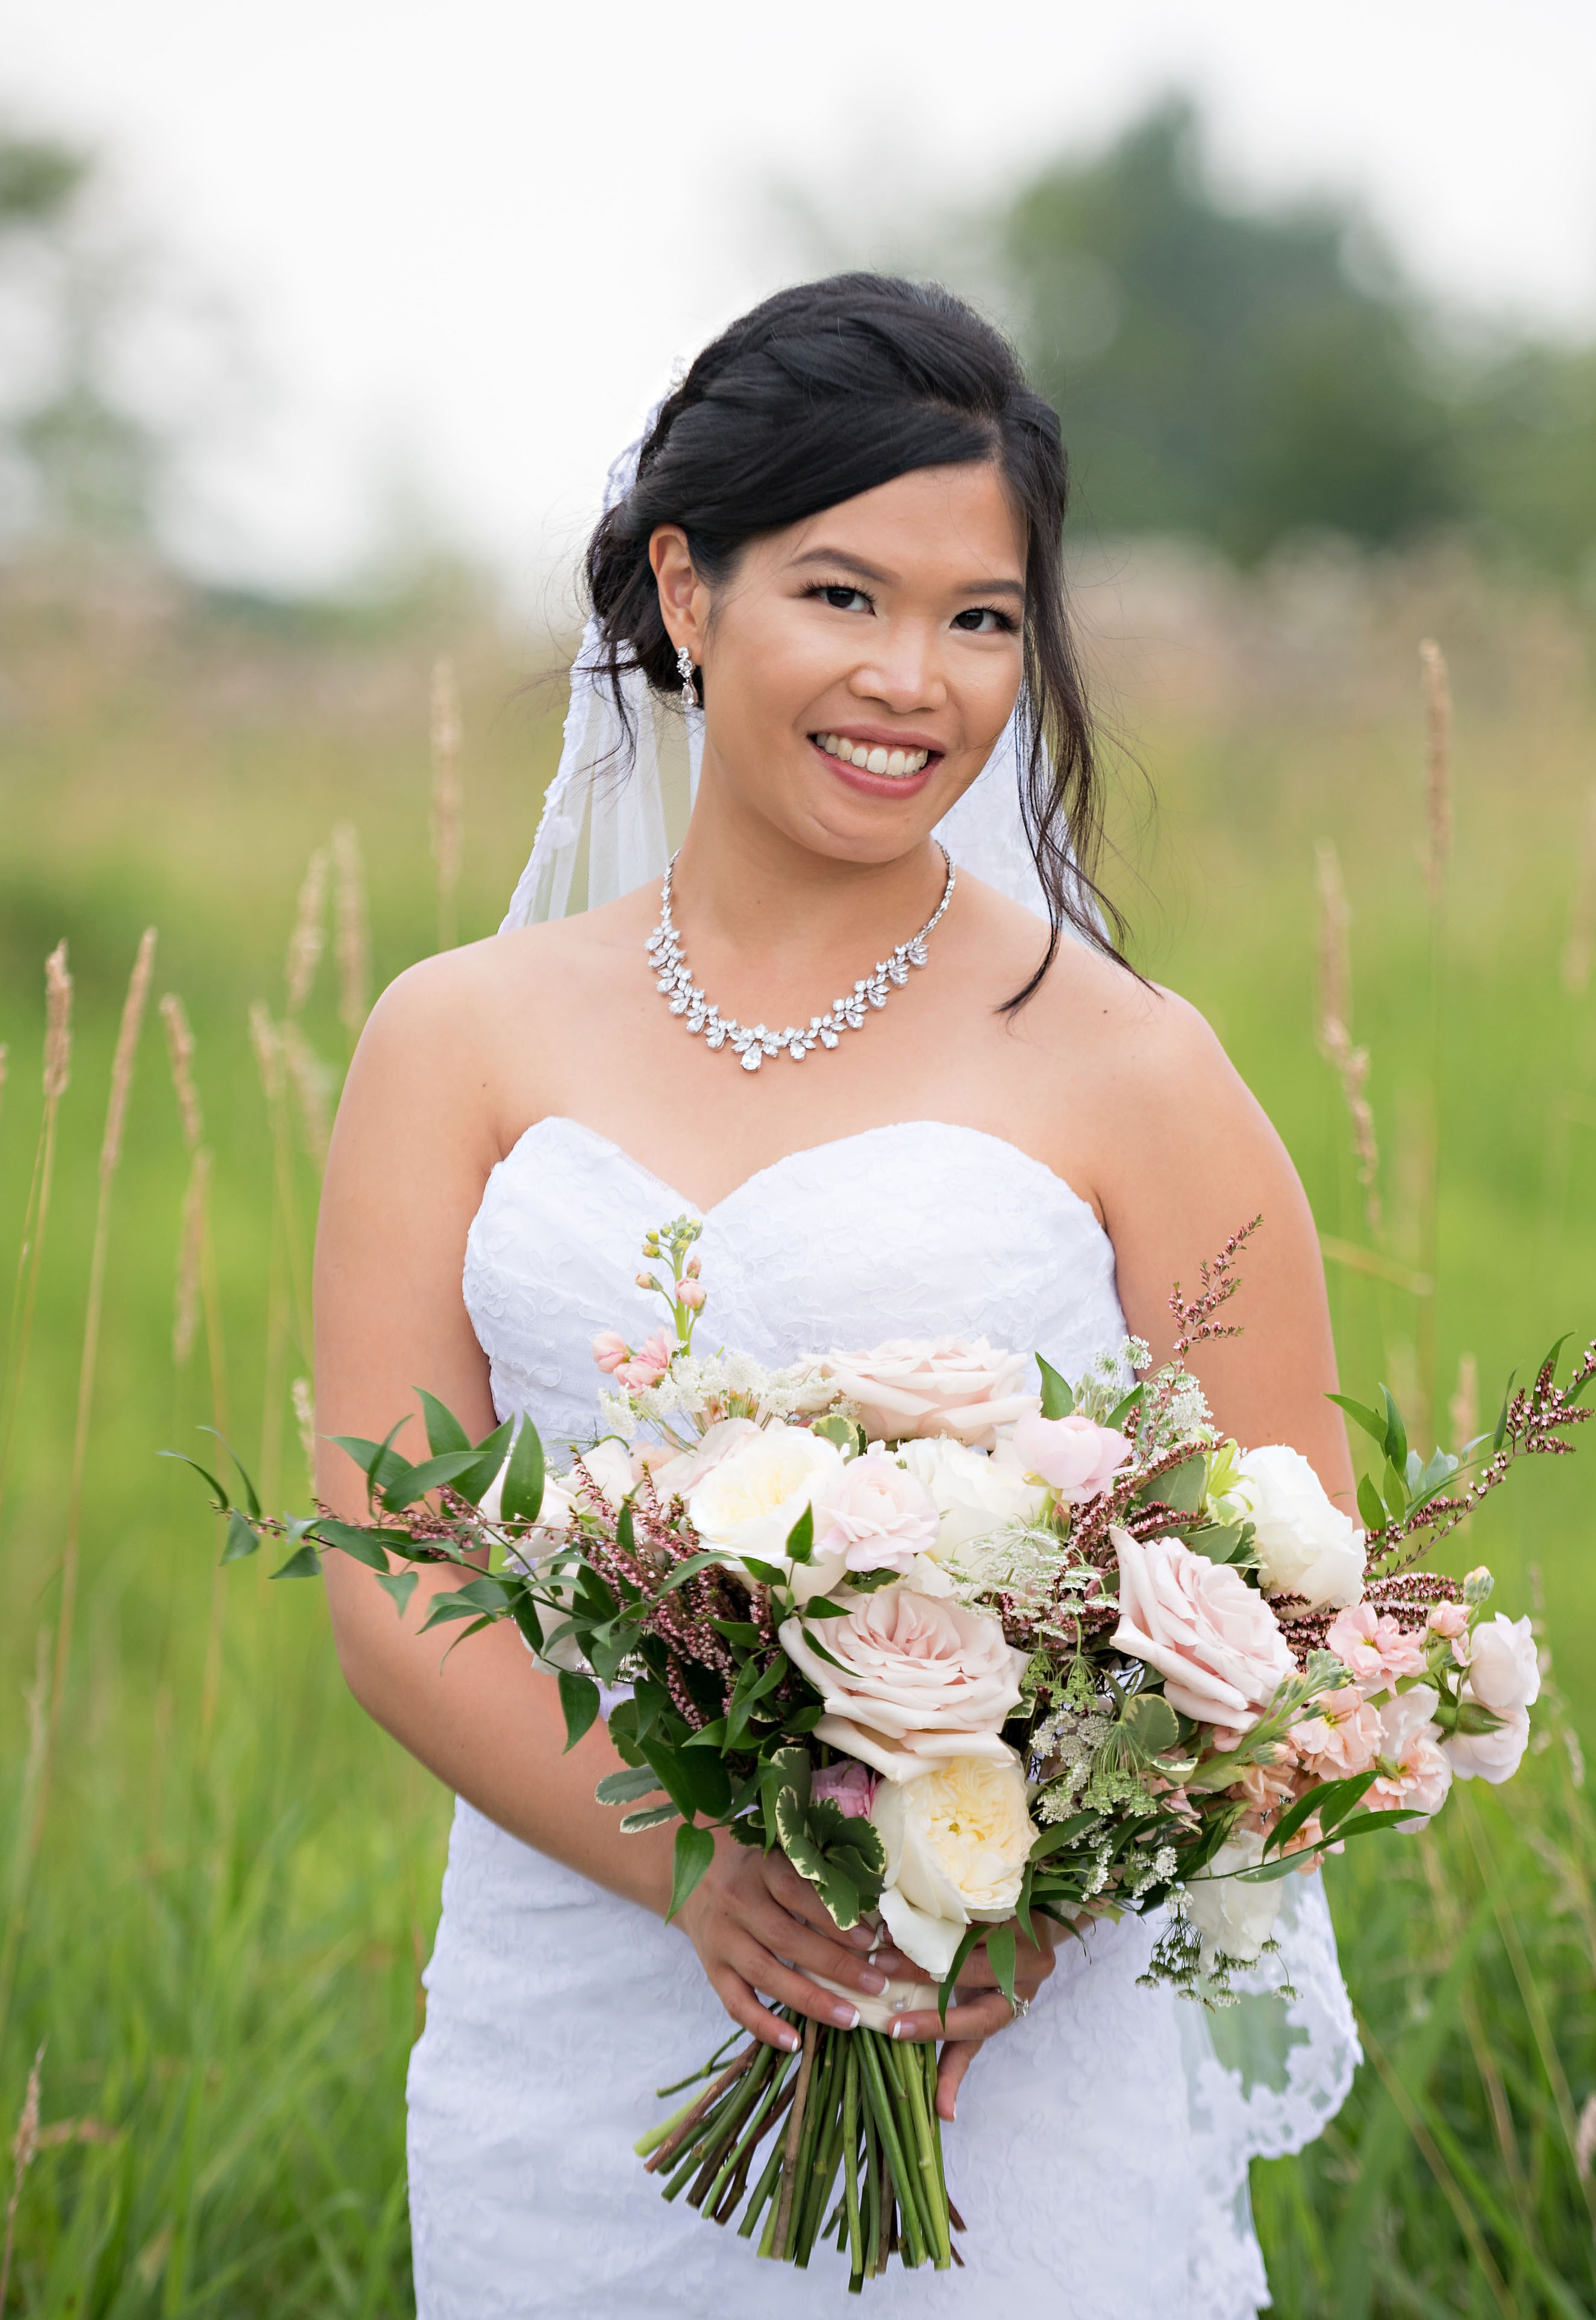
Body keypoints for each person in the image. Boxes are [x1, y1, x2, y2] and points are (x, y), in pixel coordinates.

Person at [310, 273, 1355, 2313]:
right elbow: (390, 1562)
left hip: (1004, 2059)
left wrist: (1025, 1884)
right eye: (845, 595)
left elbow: (1303, 1596)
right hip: (572, 2040)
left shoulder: (1134, 1066)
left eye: (982, 619)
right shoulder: (456, 1041)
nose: (918, 681)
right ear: (687, 593)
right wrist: (699, 1871)